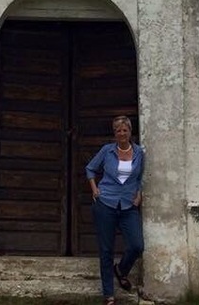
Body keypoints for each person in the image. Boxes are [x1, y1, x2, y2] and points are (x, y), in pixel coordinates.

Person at [85, 115, 145, 305]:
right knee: (106, 250)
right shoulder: (107, 150)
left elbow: (140, 176)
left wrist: (140, 193)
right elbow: (90, 169)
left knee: (137, 245)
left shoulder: (139, 153)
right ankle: (109, 295)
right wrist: (95, 189)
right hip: (106, 204)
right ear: (115, 133)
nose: (121, 133)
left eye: (125, 130)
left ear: (130, 132)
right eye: (118, 130)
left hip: (128, 205)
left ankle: (121, 270)